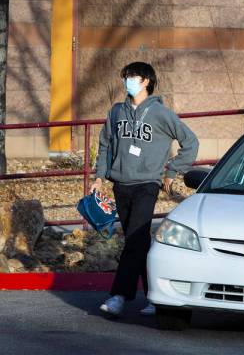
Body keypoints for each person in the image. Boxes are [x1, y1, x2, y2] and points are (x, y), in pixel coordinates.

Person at [93, 62, 199, 317]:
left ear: (145, 82)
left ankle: (119, 295)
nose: (127, 80)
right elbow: (105, 143)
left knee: (135, 240)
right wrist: (99, 177)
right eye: (125, 76)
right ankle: (156, 295)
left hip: (147, 184)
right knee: (138, 241)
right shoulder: (116, 111)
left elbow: (190, 142)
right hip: (121, 184)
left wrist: (172, 171)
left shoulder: (161, 113)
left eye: (132, 77)